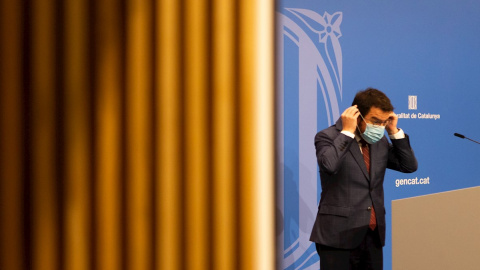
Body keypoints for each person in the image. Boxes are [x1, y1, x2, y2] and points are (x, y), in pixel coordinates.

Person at [309, 88, 418, 270]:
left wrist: (393, 132)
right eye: (376, 121)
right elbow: (329, 165)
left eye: (384, 122)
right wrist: (347, 132)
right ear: (357, 115)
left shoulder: (380, 142)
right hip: (338, 235)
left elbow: (408, 166)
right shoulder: (328, 137)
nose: (379, 127)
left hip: (372, 234)